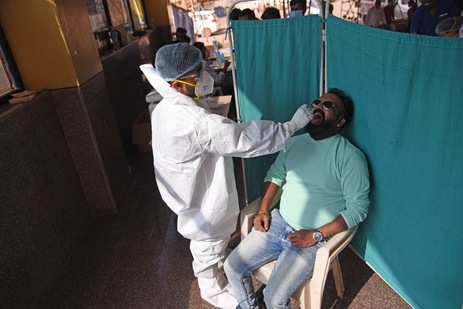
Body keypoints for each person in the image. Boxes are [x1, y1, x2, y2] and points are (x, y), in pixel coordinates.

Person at [139, 43, 313, 309]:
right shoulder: (195, 122)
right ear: (176, 84)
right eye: (197, 74)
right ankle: (223, 295)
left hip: (187, 194)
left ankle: (219, 267)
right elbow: (243, 139)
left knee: (209, 246)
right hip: (204, 205)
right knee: (207, 250)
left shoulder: (165, 105)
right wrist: (290, 126)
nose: (203, 76)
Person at [224, 88, 370, 309]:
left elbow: (358, 209)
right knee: (232, 267)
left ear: (340, 122)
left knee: (274, 299)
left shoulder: (350, 157)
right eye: (317, 102)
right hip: (278, 223)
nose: (318, 106)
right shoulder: (293, 143)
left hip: (312, 238)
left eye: (328, 105)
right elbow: (274, 175)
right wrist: (263, 210)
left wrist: (315, 235)